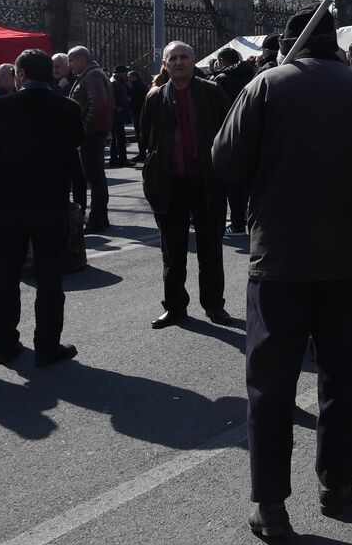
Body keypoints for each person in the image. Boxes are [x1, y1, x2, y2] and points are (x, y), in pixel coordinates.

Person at [212, 6, 352, 538]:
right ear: (335, 42)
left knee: (271, 383)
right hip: (348, 262)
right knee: (344, 378)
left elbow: (225, 161)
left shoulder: (266, 87)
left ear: (293, 42)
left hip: (279, 259)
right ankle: (339, 485)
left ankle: (271, 504)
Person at [0, 49, 84, 366]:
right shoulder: (68, 108)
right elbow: (77, 144)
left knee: (6, 274)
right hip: (51, 204)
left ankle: (5, 342)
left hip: (8, 203)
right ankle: (47, 345)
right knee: (50, 278)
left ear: (20, 74)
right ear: (49, 72)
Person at [139, 41, 234, 329]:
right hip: (170, 185)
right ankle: (175, 307)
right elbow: (147, 137)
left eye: (184, 57)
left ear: (194, 61)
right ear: (165, 64)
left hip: (207, 182)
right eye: (173, 58)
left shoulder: (212, 92)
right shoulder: (155, 97)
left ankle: (214, 305)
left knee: (210, 249)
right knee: (173, 252)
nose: (179, 62)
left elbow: (227, 130)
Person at [67, 46, 114, 232]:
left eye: (71, 60)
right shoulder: (91, 74)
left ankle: (97, 218)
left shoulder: (92, 75)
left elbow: (98, 103)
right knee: (96, 177)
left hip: (92, 135)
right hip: (93, 134)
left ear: (81, 59)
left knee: (95, 178)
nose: (70, 65)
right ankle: (100, 217)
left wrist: (86, 129)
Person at [211, 47, 256, 235]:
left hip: (227, 132)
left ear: (222, 61)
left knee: (230, 182)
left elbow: (216, 110)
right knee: (247, 181)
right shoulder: (254, 76)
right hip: (250, 132)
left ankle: (236, 222)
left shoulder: (221, 80)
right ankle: (246, 218)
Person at [108, 65, 131, 166]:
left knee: (116, 138)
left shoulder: (117, 81)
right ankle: (121, 159)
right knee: (119, 138)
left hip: (117, 114)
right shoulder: (115, 82)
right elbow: (110, 97)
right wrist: (117, 107)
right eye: (125, 73)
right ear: (120, 73)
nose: (126, 75)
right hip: (117, 115)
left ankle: (116, 159)